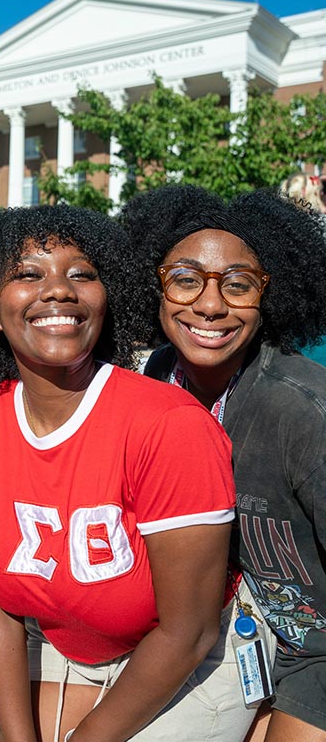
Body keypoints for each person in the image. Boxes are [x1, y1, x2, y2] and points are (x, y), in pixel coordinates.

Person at [0, 204, 267, 742]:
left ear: (106, 301)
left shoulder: (171, 426)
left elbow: (190, 630)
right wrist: (16, 736)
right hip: (69, 649)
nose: (60, 290)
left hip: (193, 659)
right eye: (27, 274)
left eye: (82, 273)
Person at [121, 185, 326, 741]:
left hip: (315, 652)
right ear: (153, 286)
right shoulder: (157, 375)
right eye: (186, 279)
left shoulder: (303, 411)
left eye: (238, 285)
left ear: (273, 295)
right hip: (224, 633)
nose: (210, 306)